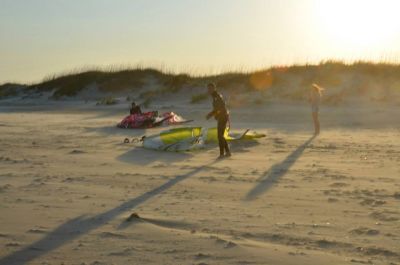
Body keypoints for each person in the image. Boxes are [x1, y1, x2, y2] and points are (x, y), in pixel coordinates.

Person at [206, 83, 231, 158]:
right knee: (221, 136)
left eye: (210, 88)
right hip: (222, 117)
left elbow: (221, 108)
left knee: (220, 136)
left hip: (223, 117)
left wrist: (211, 114)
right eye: (208, 89)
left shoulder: (217, 96)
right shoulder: (215, 96)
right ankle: (227, 152)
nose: (209, 90)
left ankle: (221, 154)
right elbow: (218, 108)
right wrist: (214, 114)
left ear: (214, 88)